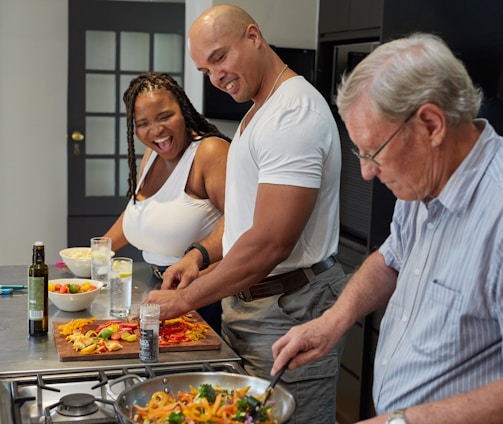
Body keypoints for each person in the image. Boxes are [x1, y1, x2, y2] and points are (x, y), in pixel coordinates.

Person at [271, 32, 503, 424]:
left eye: (373, 152)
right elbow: (392, 257)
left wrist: (403, 422)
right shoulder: (424, 182)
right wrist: (333, 320)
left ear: (431, 124)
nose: (366, 172)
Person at [141, 4, 347, 423]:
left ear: (253, 37)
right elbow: (244, 219)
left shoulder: (293, 113)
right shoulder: (260, 109)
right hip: (257, 306)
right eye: (205, 70)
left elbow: (271, 242)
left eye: (220, 58)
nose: (216, 77)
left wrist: (182, 301)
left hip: (289, 308)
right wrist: (199, 256)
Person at [104, 72, 230, 332]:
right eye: (143, 123)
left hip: (203, 297)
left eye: (165, 117)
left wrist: (186, 292)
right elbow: (139, 211)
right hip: (160, 289)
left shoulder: (209, 152)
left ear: (183, 111)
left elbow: (241, 222)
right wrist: (97, 252)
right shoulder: (153, 154)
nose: (156, 130)